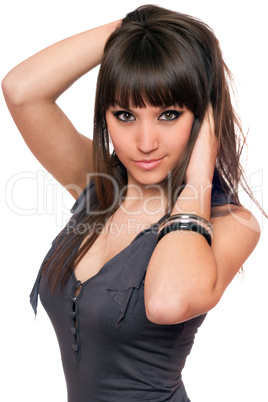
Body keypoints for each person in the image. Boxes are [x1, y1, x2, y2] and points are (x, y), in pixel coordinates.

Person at [2, 4, 262, 401]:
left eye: (169, 114)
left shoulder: (231, 224)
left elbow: (167, 302)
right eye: (124, 114)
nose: (144, 143)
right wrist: (135, 32)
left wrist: (196, 183)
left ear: (203, 118)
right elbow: (22, 91)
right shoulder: (99, 186)